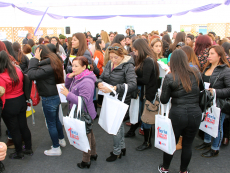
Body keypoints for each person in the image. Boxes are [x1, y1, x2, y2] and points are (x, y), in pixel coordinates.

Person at [158, 49, 202, 173]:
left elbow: (164, 100)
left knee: (171, 142)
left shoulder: (170, 77)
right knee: (188, 144)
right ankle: (183, 170)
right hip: (195, 113)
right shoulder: (196, 73)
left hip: (177, 113)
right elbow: (202, 91)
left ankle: (165, 168)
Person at [96, 43, 137, 162]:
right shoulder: (109, 64)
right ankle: (122, 148)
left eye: (116, 57)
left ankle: (117, 151)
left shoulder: (128, 66)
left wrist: (114, 88)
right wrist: (98, 83)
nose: (113, 60)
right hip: (111, 98)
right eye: (111, 57)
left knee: (116, 127)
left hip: (121, 100)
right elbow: (102, 77)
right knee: (118, 126)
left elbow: (133, 85)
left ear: (123, 55)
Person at [27, 45, 66, 156]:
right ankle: (61, 140)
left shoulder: (47, 67)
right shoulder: (55, 60)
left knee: (51, 123)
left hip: (49, 97)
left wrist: (34, 59)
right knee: (56, 120)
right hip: (55, 95)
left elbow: (31, 74)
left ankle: (56, 148)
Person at [61, 56, 97, 169]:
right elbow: (68, 87)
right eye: (72, 65)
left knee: (84, 137)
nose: (73, 68)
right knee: (89, 133)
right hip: (82, 112)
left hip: (84, 113)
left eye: (76, 66)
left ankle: (86, 161)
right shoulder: (79, 76)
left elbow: (83, 101)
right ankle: (93, 154)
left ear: (84, 67)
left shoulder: (86, 81)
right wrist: (69, 77)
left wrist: (68, 95)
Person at [195, 45, 230, 158]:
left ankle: (215, 148)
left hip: (219, 103)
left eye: (212, 54)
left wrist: (215, 92)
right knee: (207, 122)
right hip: (207, 101)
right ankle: (206, 142)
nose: (208, 56)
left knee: (217, 125)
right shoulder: (207, 68)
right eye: (208, 54)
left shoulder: (225, 70)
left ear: (219, 56)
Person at [125, 39, 159, 151]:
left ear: (141, 49)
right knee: (141, 115)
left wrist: (133, 79)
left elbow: (145, 79)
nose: (134, 53)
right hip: (144, 92)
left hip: (148, 93)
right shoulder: (145, 59)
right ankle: (136, 134)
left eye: (135, 50)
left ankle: (147, 142)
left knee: (146, 118)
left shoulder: (148, 60)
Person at [0, 50, 33, 159]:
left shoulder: (1, 76)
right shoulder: (17, 70)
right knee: (23, 126)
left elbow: (2, 94)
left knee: (14, 129)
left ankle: (19, 152)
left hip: (9, 104)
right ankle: (28, 148)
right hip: (21, 100)